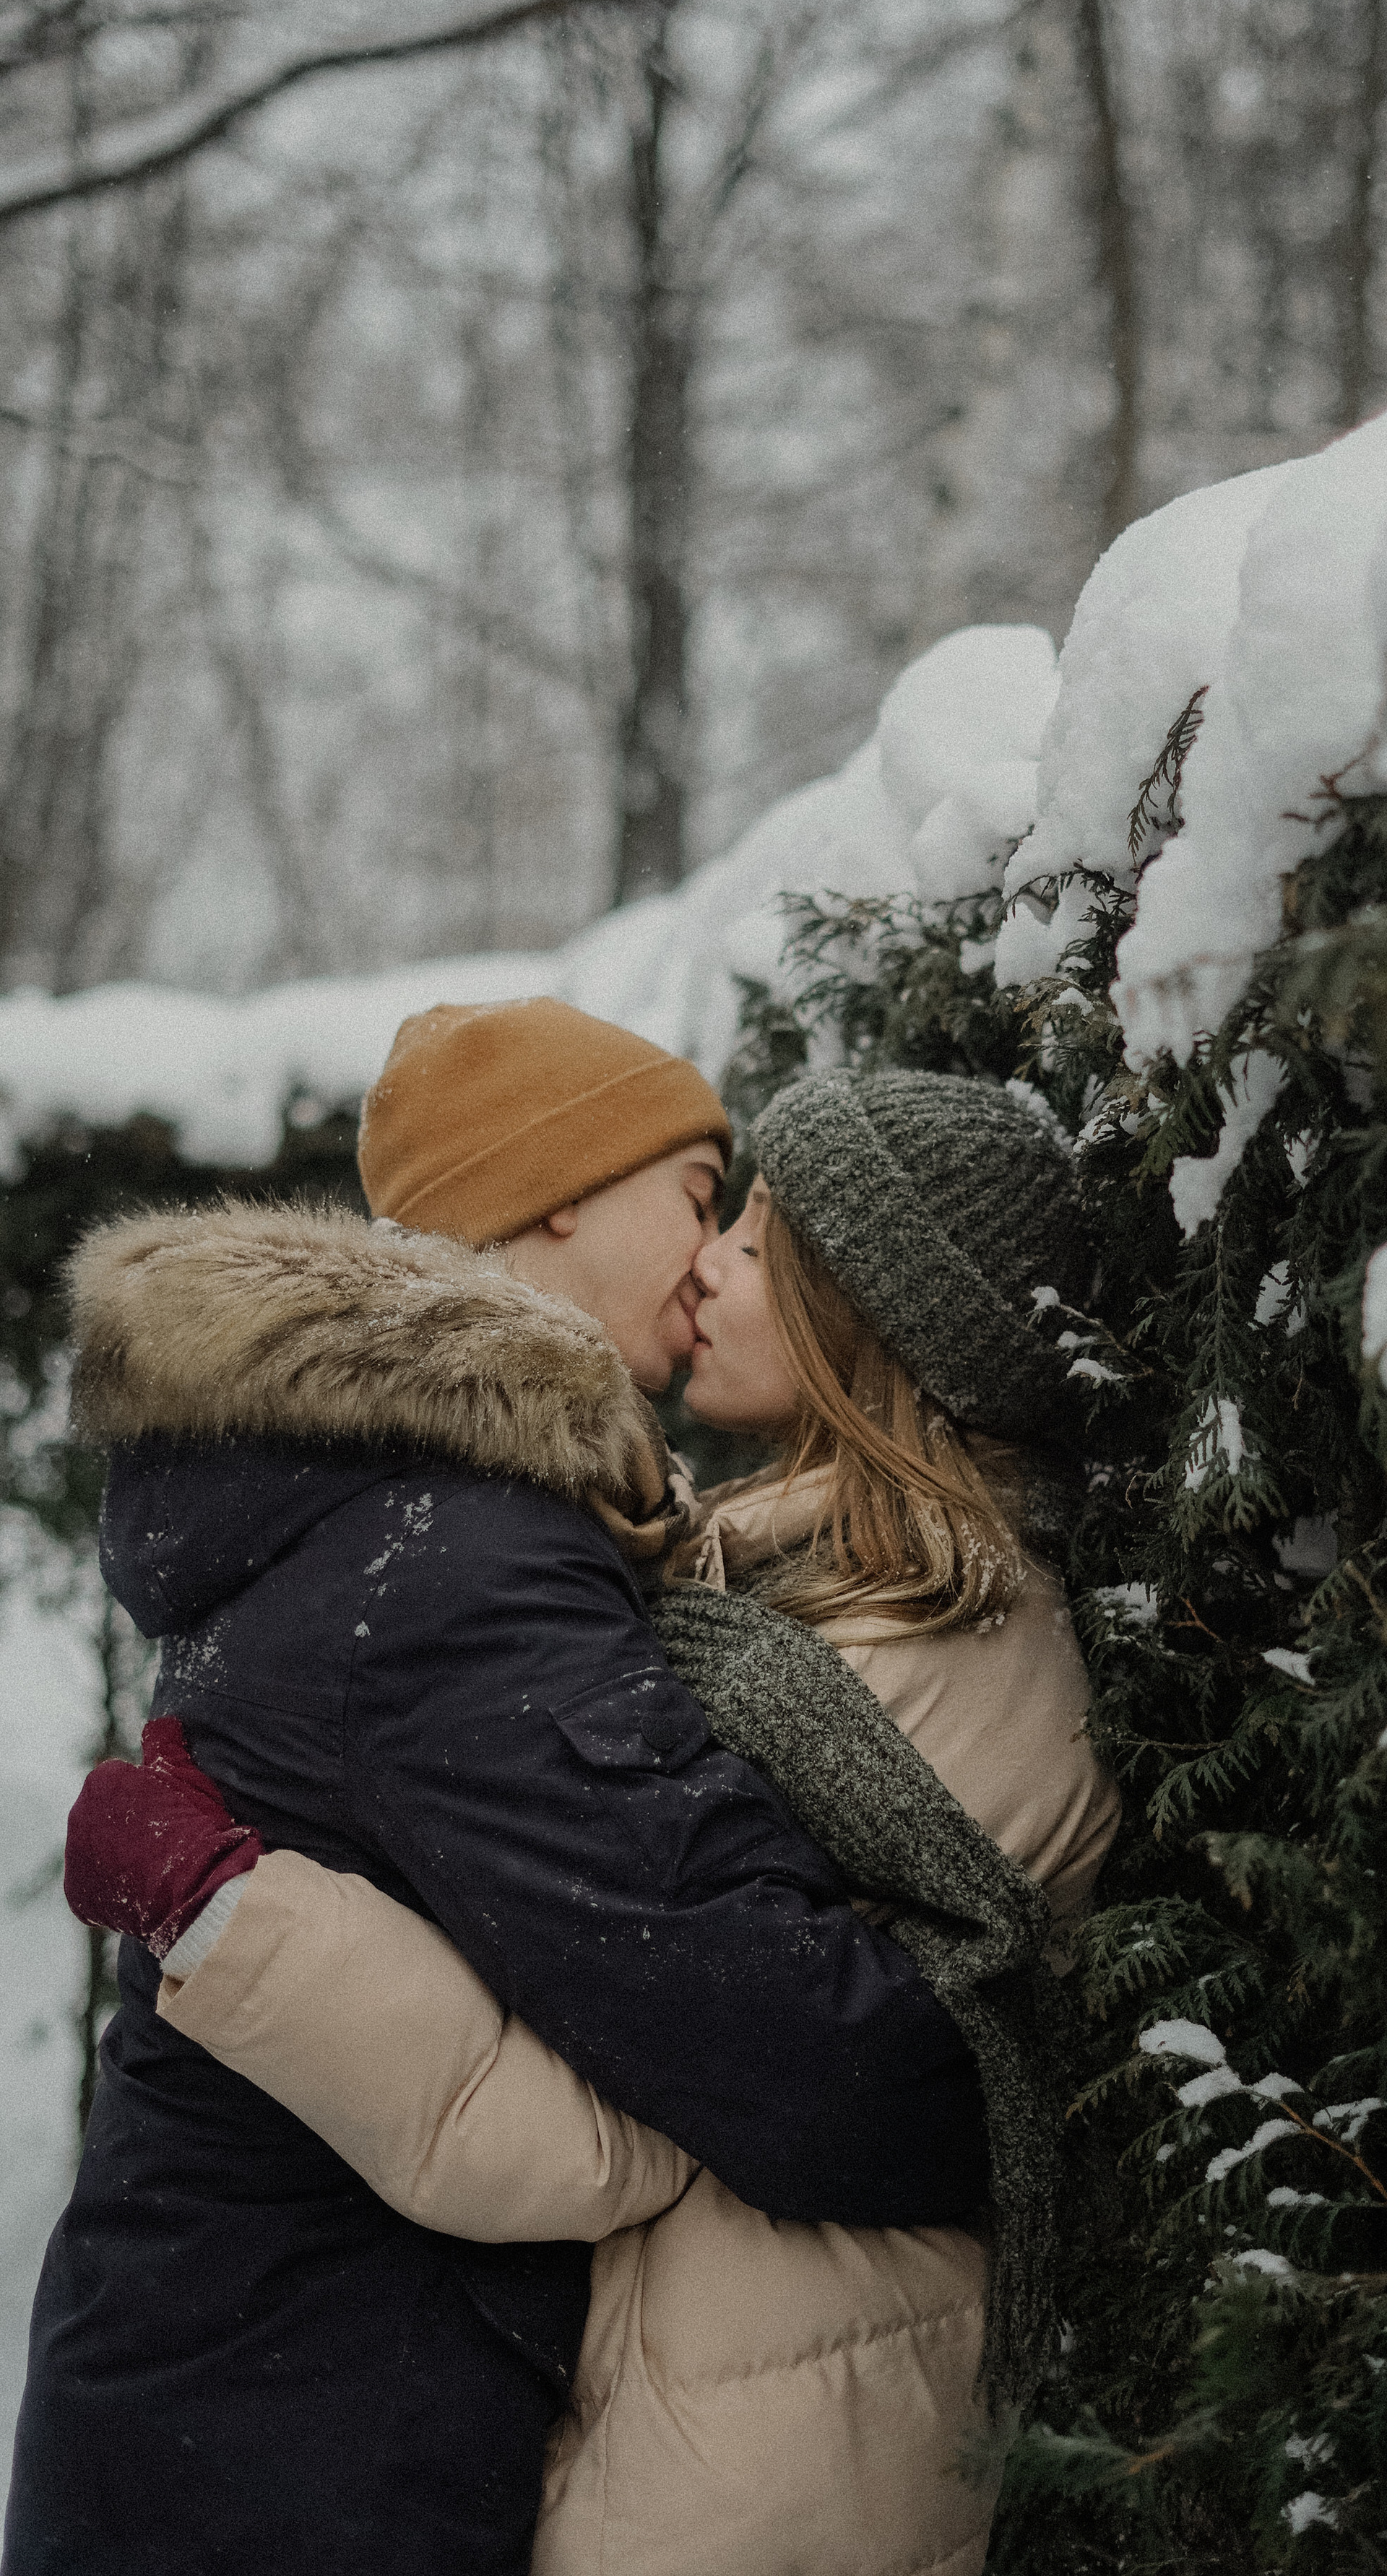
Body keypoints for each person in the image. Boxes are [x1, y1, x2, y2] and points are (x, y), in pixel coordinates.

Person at [57, 1070, 1122, 2576]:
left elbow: (674, 2105)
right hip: (721, 2374)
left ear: (857, 1314)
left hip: (779, 2431)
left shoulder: (944, 1640)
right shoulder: (759, 1585)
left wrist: (234, 1914)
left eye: (749, 1235)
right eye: (714, 1208)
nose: (705, 1263)